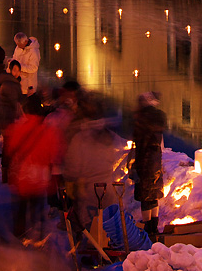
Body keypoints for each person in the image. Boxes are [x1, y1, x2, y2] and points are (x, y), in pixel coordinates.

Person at [63, 93, 129, 229]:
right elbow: (113, 158)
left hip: (88, 189)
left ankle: (88, 246)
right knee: (107, 226)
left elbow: (73, 166)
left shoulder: (80, 138)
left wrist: (70, 180)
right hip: (108, 186)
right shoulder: (107, 136)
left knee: (88, 226)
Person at [2, 93, 60, 240]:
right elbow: (54, 153)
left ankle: (19, 235)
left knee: (20, 209)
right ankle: (37, 236)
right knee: (37, 208)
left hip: (22, 176)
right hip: (39, 178)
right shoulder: (48, 129)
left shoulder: (18, 127)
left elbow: (9, 149)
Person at [129, 92, 166, 238]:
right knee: (154, 194)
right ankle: (153, 227)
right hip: (155, 160)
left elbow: (139, 143)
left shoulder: (141, 120)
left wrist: (134, 165)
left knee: (145, 195)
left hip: (144, 161)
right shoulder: (159, 118)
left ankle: (147, 228)